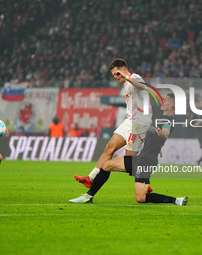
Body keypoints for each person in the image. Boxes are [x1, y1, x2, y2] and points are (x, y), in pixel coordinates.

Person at [69, 94, 188, 206]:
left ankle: (176, 200)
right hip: (143, 159)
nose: (162, 101)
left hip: (145, 161)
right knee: (107, 165)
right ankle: (88, 196)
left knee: (140, 197)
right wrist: (158, 145)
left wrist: (162, 135)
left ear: (172, 105)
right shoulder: (160, 117)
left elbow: (166, 133)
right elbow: (155, 137)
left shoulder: (168, 120)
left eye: (165, 100)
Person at [74, 59, 157, 192]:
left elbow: (142, 86)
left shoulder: (134, 77)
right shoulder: (126, 84)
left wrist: (125, 76)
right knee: (109, 148)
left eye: (116, 73)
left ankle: (143, 181)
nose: (115, 77)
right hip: (130, 121)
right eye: (113, 74)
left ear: (124, 70)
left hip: (139, 123)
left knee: (130, 162)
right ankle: (91, 178)